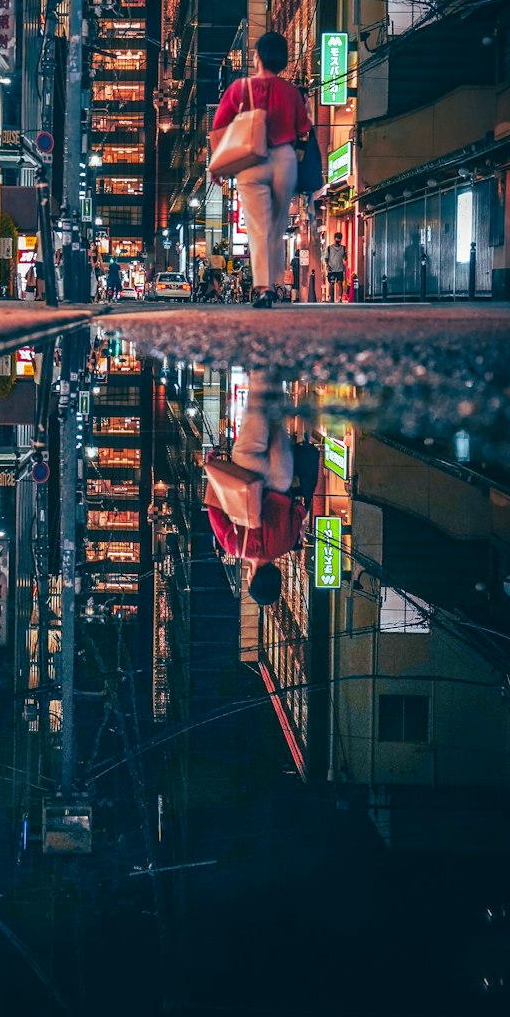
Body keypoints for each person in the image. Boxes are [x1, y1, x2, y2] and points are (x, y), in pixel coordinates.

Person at [211, 32, 311, 309]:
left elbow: (218, 128)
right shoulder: (292, 92)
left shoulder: (241, 89)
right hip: (284, 159)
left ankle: (265, 288)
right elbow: (304, 129)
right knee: (277, 229)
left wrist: (218, 166)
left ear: (257, 57)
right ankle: (275, 283)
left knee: (257, 227)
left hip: (251, 160)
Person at [206, 373, 308, 605]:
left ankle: (279, 361)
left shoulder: (286, 543)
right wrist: (214, 467)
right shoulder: (234, 547)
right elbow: (214, 507)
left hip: (282, 477)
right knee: (257, 406)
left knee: (275, 414)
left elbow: (299, 510)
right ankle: (262, 353)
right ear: (250, 578)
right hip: (248, 473)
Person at [324, 232, 348, 302]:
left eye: (339, 239)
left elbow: (345, 258)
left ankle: (340, 298)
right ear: (334, 239)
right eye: (337, 238)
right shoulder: (329, 248)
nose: (338, 240)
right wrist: (327, 265)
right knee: (331, 284)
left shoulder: (343, 248)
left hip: (340, 268)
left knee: (340, 283)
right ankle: (330, 297)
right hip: (331, 269)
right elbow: (326, 258)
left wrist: (346, 255)